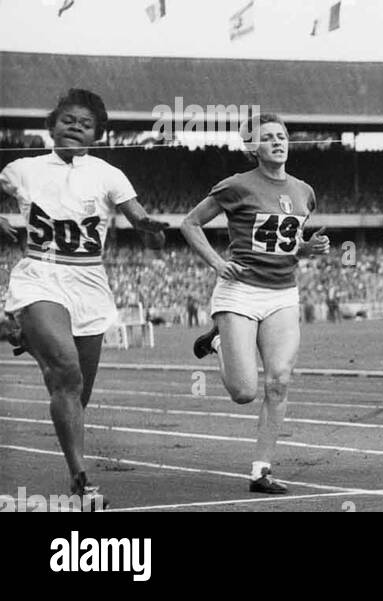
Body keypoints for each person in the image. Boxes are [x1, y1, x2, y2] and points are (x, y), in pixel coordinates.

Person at [0, 88, 168, 509]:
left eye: (86, 123)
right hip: (40, 275)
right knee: (67, 371)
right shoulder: (22, 168)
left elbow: (143, 223)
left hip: (90, 283)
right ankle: (81, 480)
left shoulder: (109, 174)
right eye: (68, 119)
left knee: (76, 393)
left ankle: (22, 335)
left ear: (97, 134)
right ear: (52, 125)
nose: (75, 126)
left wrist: (152, 232)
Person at [180, 113, 331, 493]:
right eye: (268, 137)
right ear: (253, 147)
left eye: (282, 136)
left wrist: (307, 248)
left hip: (283, 292)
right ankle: (217, 341)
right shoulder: (236, 186)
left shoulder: (304, 191)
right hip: (241, 292)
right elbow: (190, 223)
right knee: (244, 392)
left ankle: (260, 470)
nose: (278, 142)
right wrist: (217, 263)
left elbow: (282, 240)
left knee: (279, 381)